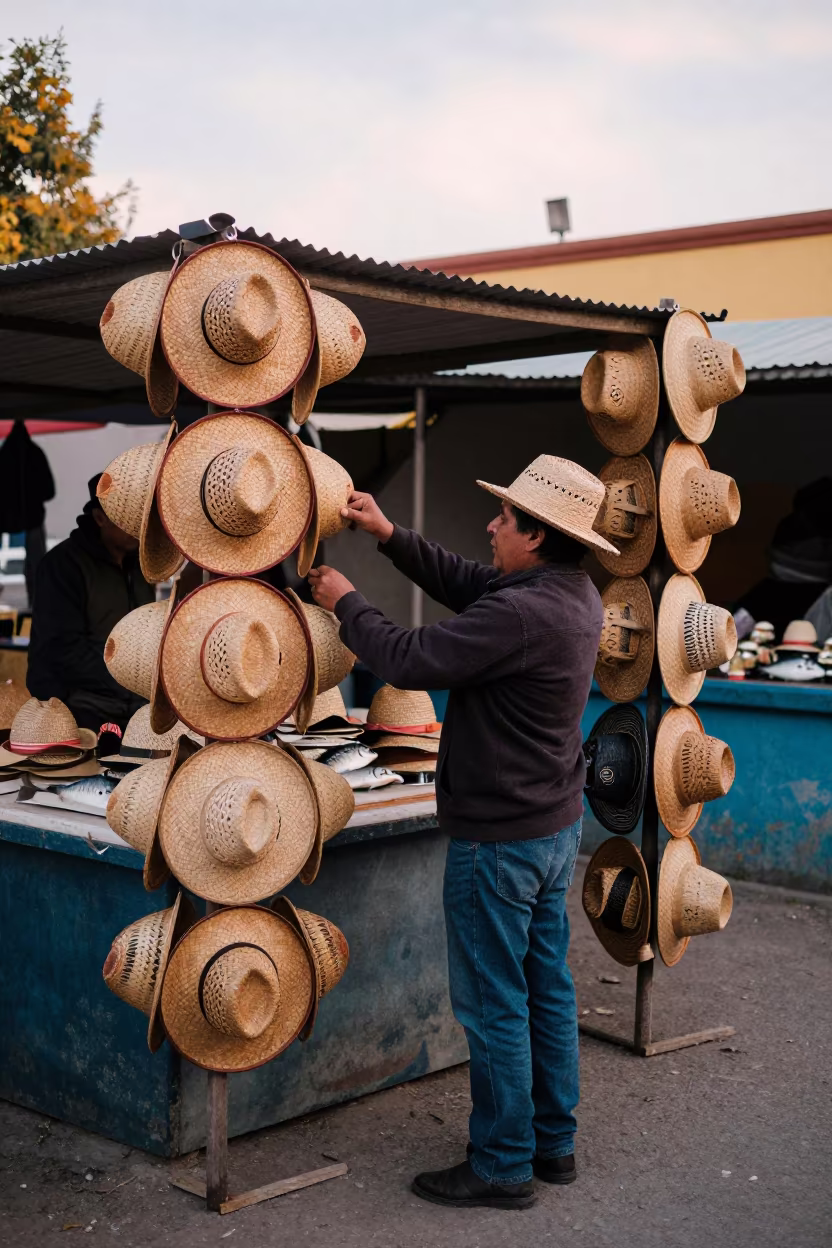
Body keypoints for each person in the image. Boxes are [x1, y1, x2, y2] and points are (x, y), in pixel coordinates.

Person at [308, 457, 606, 1211]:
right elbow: (471, 582)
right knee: (546, 988)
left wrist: (346, 602)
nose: (491, 526)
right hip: (551, 829)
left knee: (495, 1003)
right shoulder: (569, 593)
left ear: (536, 535)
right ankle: (552, 1144)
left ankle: (504, 1165)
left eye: (505, 519)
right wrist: (388, 535)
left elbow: (410, 657)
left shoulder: (523, 612)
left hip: (499, 841)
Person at [28, 474, 155, 732]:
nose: (136, 525)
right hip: (78, 713)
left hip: (133, 710)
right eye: (125, 518)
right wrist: (130, 676)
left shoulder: (142, 566)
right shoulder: (63, 565)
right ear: (99, 518)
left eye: (139, 517)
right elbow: (63, 650)